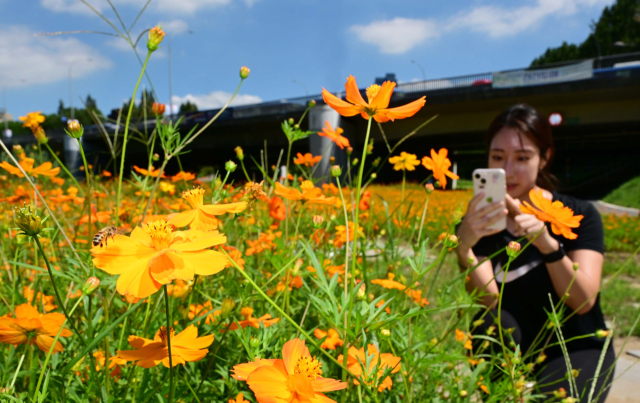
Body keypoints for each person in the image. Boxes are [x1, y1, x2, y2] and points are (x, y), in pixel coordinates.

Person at [455, 104, 615, 401]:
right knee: (491, 322)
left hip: (574, 345)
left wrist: (547, 243)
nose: (507, 170)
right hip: (511, 343)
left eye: (522, 158)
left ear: (544, 158)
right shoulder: (479, 223)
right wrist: (464, 245)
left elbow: (583, 302)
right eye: (497, 157)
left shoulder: (579, 214)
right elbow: (488, 299)